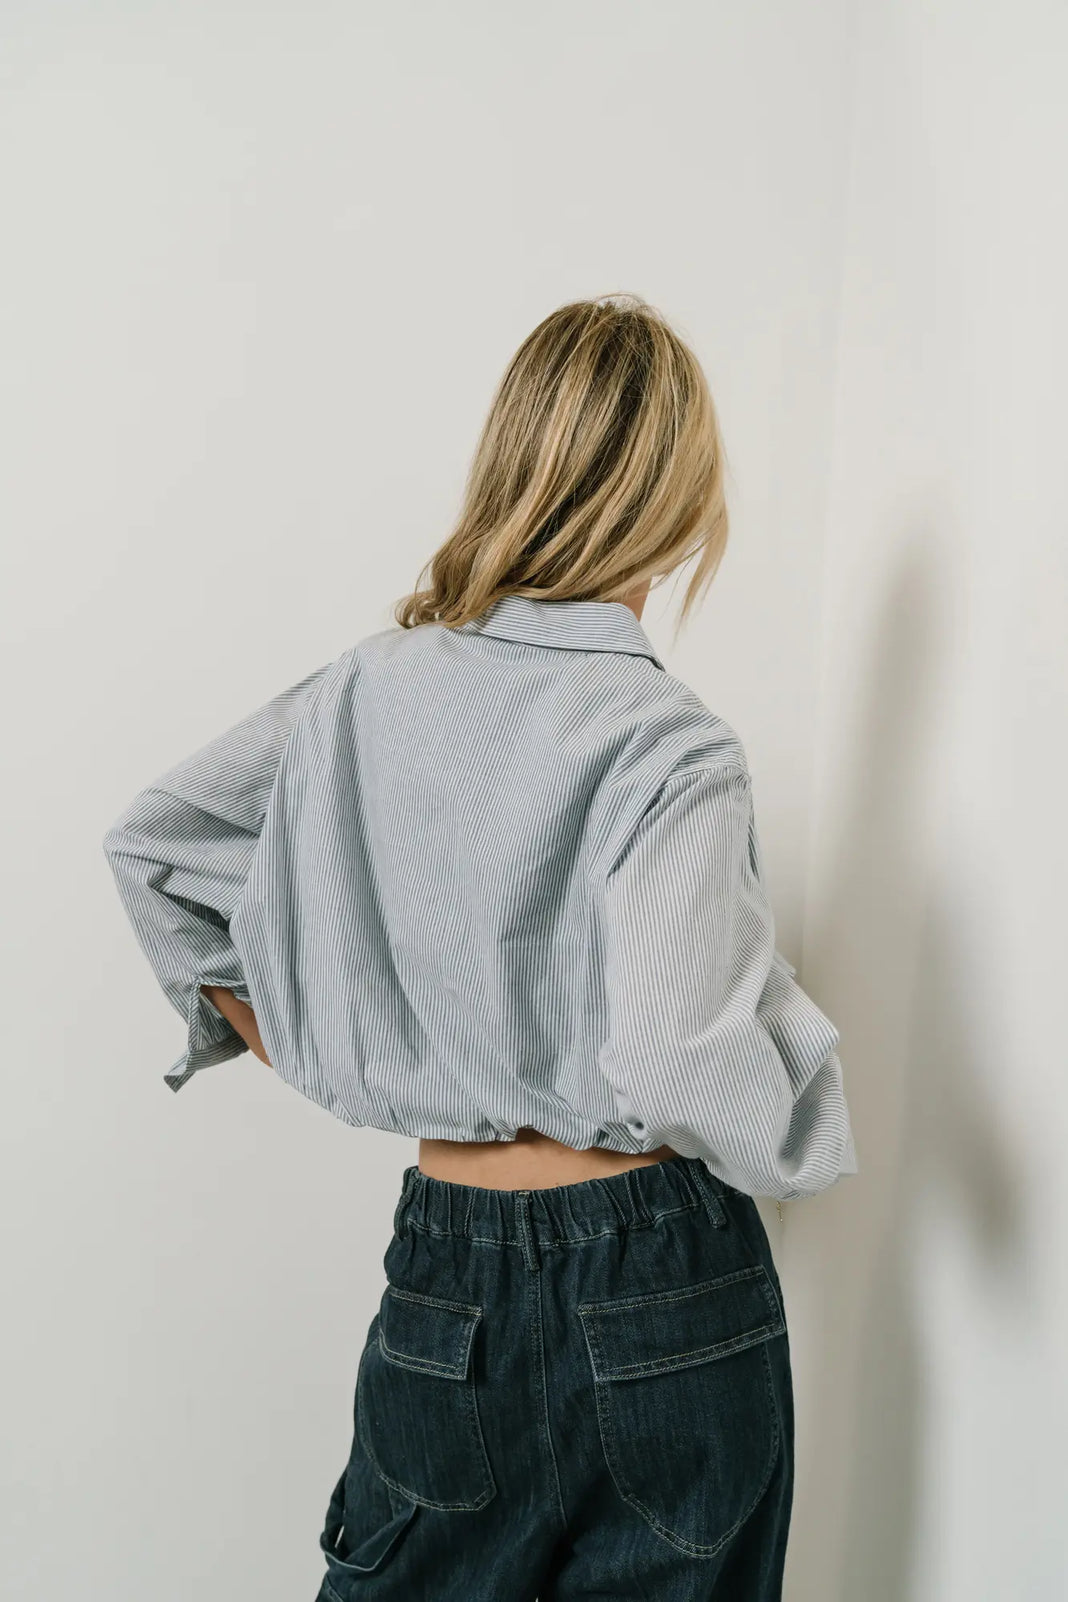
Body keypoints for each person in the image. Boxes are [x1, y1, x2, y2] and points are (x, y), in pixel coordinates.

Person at [102, 293, 857, 1601]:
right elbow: (679, 1057)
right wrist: (805, 1132)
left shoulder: (365, 690)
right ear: (679, 501)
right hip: (669, 1273)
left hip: (449, 1264)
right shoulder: (669, 740)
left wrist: (328, 1046)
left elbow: (158, 845)